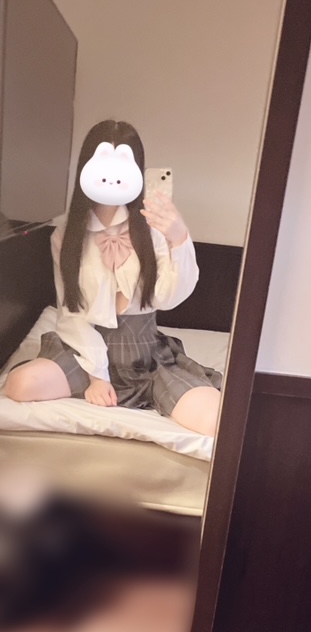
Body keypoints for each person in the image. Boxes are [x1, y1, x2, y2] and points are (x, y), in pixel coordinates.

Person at [5, 120, 221, 437]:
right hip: (84, 350)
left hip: (143, 355)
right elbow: (71, 311)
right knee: (19, 385)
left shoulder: (152, 230)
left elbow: (168, 297)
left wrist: (178, 238)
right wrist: (98, 376)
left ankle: (151, 392)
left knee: (215, 419)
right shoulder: (67, 234)